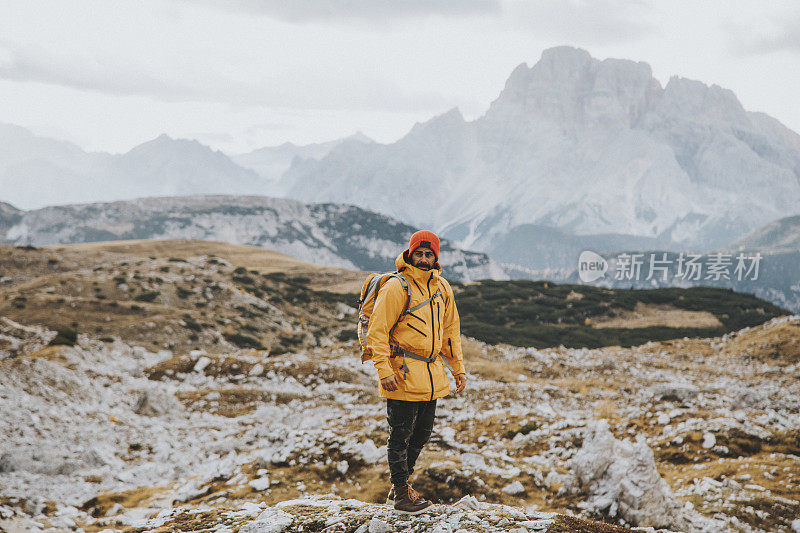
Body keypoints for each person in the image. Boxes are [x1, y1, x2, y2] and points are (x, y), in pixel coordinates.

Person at [365, 230, 467, 514]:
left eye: (429, 254)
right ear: (410, 254)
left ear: (436, 258)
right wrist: (383, 370)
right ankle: (401, 495)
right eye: (419, 254)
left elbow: (450, 332)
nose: (423, 259)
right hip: (401, 373)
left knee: (421, 434)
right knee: (400, 435)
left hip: (432, 375)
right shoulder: (397, 287)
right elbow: (378, 331)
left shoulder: (442, 288)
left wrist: (457, 368)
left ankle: (399, 488)